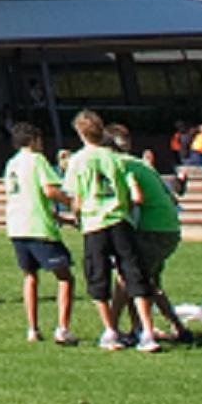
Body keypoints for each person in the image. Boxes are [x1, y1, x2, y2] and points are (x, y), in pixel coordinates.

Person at [61, 111, 158, 352]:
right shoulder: (116, 158)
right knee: (134, 274)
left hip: (95, 224)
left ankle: (110, 330)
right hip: (119, 220)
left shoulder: (77, 161)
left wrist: (75, 215)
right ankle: (146, 331)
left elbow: (76, 197)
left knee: (97, 277)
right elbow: (134, 193)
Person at [105, 123, 191, 344]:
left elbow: (135, 198)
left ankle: (112, 329)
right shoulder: (139, 164)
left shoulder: (121, 165)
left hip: (151, 230)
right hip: (167, 228)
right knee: (147, 282)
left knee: (129, 279)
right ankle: (161, 327)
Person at [2, 122, 75, 345]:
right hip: (38, 227)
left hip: (17, 226)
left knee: (30, 277)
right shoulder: (37, 160)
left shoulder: (11, 164)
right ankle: (62, 328)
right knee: (65, 277)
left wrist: (60, 218)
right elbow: (49, 190)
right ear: (33, 140)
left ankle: (32, 329)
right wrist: (71, 202)